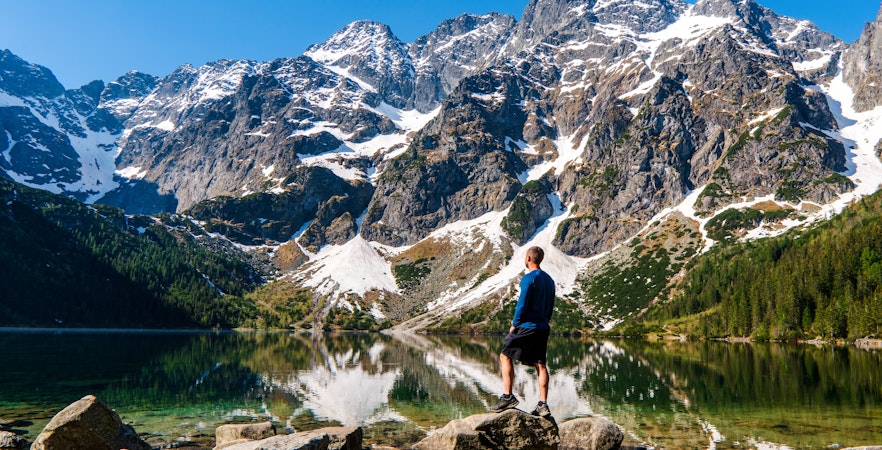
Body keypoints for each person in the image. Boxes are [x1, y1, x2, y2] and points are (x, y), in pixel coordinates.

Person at [491, 246, 555, 417]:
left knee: (505, 355)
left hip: (527, 326)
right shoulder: (549, 280)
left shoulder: (528, 278)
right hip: (542, 327)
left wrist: (515, 323)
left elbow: (523, 303)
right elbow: (550, 306)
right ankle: (543, 404)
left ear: (528, 258)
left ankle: (508, 396)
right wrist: (544, 321)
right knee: (540, 364)